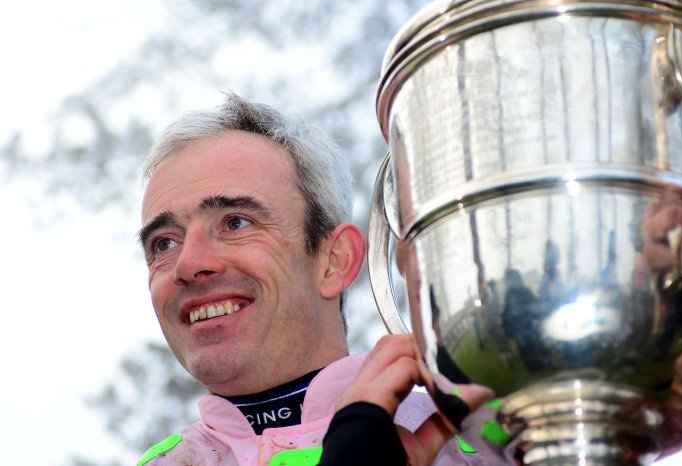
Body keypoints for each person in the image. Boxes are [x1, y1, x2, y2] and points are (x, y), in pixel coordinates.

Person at [136, 93, 498, 466]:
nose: (188, 263)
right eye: (163, 243)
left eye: (236, 222)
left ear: (334, 261)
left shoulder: (485, 442)